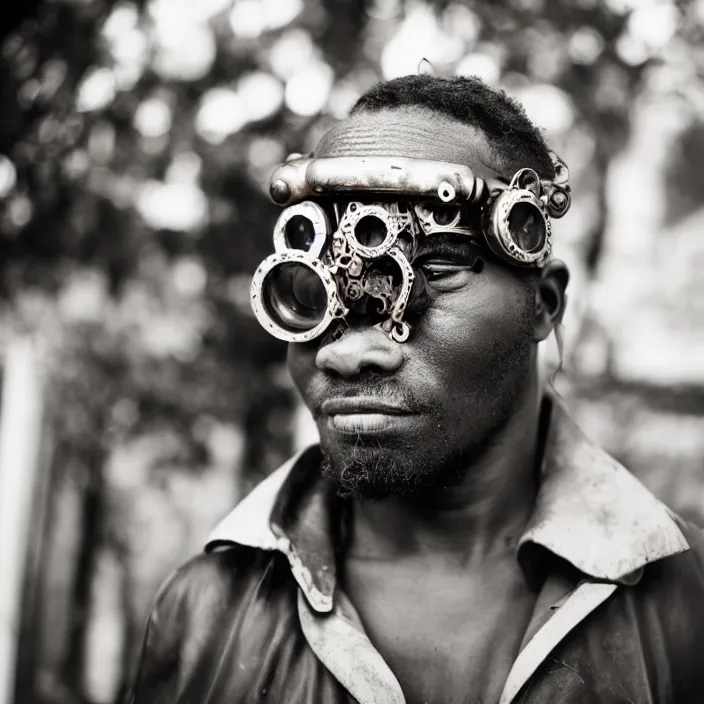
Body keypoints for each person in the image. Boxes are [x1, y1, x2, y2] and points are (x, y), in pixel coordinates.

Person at [128, 75, 704, 704]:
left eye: (435, 267)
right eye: (316, 289)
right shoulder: (204, 615)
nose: (348, 351)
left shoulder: (688, 607)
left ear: (543, 304)